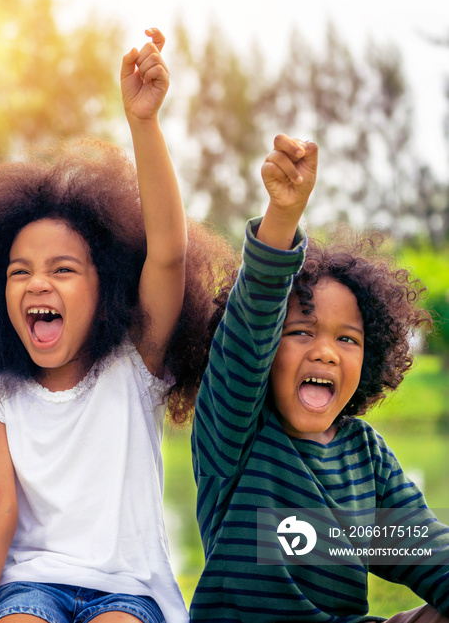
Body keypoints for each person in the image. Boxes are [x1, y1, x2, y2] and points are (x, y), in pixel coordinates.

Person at [0, 29, 232, 623]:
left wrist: (144, 125)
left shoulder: (135, 364)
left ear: (105, 290)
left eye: (63, 269)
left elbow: (169, 255)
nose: (37, 284)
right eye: (19, 272)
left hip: (131, 593)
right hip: (30, 590)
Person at [190, 134, 449, 622]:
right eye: (301, 332)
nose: (326, 352)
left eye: (347, 340)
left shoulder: (363, 455)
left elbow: (421, 546)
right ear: (268, 349)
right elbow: (249, 326)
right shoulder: (234, 434)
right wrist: (282, 218)